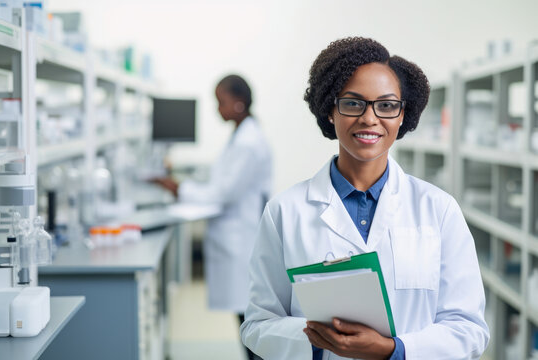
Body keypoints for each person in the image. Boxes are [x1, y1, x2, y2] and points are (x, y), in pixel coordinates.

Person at [240, 37, 489, 360]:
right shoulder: (285, 212)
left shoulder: (438, 210)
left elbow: (469, 327)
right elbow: (257, 324)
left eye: (386, 105)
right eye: (353, 103)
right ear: (330, 110)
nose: (369, 119)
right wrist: (320, 340)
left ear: (402, 116)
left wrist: (393, 351)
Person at [153, 74, 271, 360]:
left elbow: (224, 193)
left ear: (239, 103)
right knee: (245, 316)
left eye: (222, 102)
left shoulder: (248, 142)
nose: (218, 109)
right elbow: (222, 182)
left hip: (240, 238)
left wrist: (179, 187)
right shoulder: (241, 135)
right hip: (234, 235)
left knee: (250, 317)